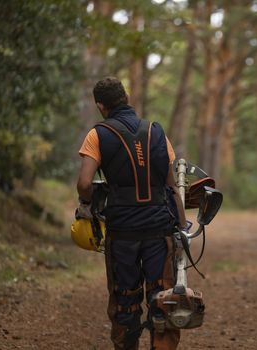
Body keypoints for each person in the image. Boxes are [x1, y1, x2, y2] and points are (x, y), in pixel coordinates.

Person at [76, 77, 187, 350]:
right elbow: (172, 187)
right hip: (160, 232)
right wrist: (182, 228)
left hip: (122, 233)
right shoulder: (157, 132)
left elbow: (85, 184)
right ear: (126, 97)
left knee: (125, 299)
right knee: (163, 300)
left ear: (101, 106)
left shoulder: (97, 134)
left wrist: (86, 204)